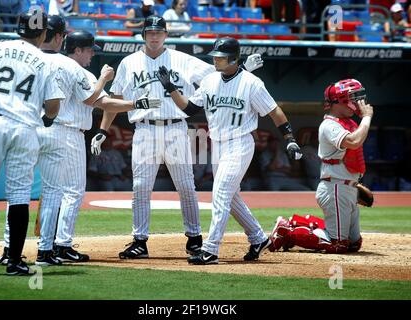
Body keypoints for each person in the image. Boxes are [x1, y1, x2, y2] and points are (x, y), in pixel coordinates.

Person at [91, 16, 264, 260]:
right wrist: (102, 130)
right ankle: (139, 240)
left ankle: (194, 238)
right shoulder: (128, 63)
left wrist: (243, 69)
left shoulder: (183, 59)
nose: (154, 36)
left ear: (165, 34)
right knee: (140, 187)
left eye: (158, 32)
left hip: (175, 127)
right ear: (143, 34)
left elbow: (218, 76)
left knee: (185, 186)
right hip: (144, 128)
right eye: (150, 32)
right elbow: (115, 100)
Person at [0, 26, 161, 267]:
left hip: (31, 127)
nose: (92, 55)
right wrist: (133, 100)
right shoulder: (75, 69)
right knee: (69, 191)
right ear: (77, 50)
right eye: (89, 51)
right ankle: (58, 246)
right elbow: (99, 101)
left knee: (19, 191)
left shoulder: (36, 61)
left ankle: (10, 248)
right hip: (66, 132)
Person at [157, 37, 303, 264]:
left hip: (240, 143)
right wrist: (170, 87)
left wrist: (290, 139)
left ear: (234, 59)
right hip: (218, 145)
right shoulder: (210, 81)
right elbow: (189, 108)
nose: (215, 59)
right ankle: (258, 238)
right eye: (215, 56)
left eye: (221, 57)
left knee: (221, 194)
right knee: (231, 198)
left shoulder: (252, 83)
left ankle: (211, 249)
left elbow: (275, 112)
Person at [0, 10, 65, 275]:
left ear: (20, 28)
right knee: (19, 194)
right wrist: (47, 119)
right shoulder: (45, 61)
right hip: (26, 129)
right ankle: (14, 261)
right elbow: (53, 105)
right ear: (43, 33)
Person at [269, 79, 373, 254]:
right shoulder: (330, 125)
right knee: (338, 244)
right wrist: (367, 117)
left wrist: (355, 184)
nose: (356, 102)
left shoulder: (348, 123)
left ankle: (297, 223)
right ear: (340, 101)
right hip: (335, 188)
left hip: (347, 188)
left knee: (354, 244)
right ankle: (286, 231)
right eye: (352, 98)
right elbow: (353, 142)